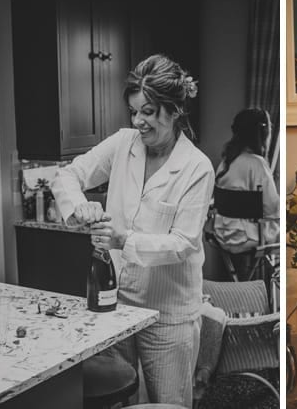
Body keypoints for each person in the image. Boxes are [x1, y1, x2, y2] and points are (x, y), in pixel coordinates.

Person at [52, 54, 214, 407]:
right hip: (116, 306)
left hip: (169, 316)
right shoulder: (122, 144)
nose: (138, 121)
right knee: (120, 399)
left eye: (149, 112)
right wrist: (80, 206)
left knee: (168, 403)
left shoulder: (196, 168)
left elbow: (183, 244)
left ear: (175, 111)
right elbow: (67, 175)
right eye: (134, 111)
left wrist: (122, 240)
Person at [211, 107, 279, 280]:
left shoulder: (226, 161)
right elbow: (272, 207)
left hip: (222, 233)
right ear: (262, 133)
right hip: (248, 237)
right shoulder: (257, 164)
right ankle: (274, 284)